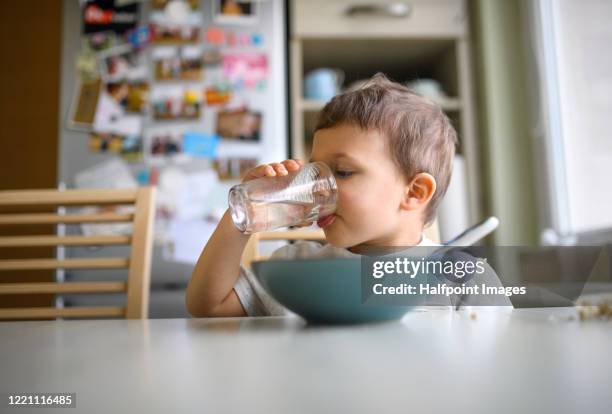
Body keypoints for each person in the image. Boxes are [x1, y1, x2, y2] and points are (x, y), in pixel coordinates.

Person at [187, 73, 472, 317]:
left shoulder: (461, 279)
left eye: (343, 171)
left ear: (414, 192)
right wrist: (242, 217)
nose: (318, 186)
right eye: (316, 169)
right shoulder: (295, 270)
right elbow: (209, 307)